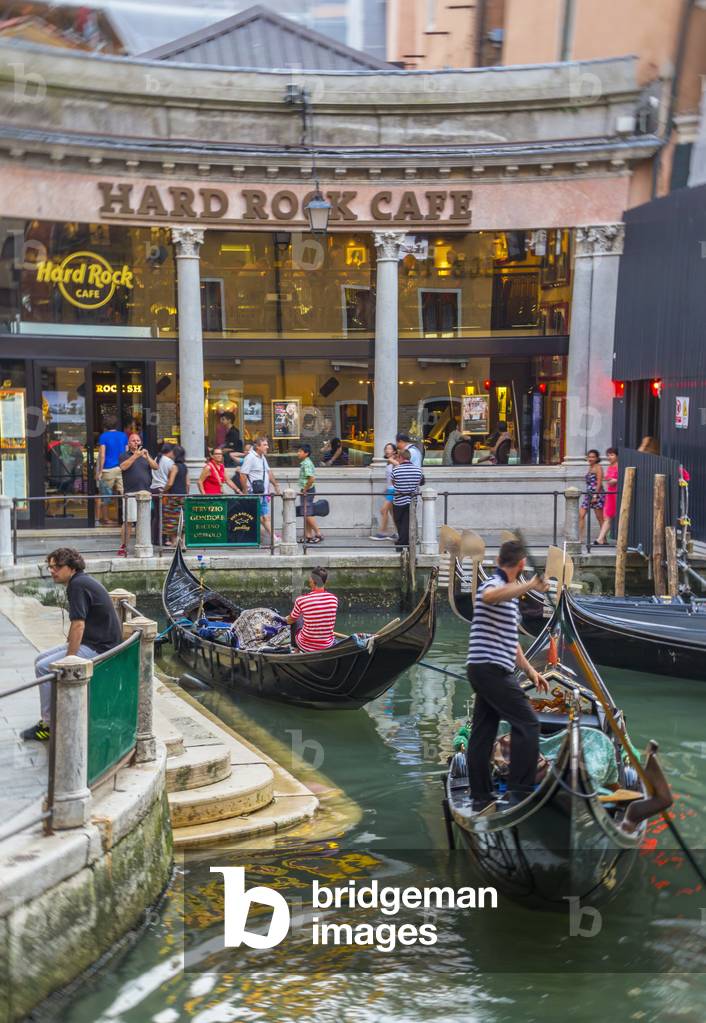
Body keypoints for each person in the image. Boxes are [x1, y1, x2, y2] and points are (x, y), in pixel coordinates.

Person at [466, 540, 550, 813]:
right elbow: (489, 596)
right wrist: (531, 586)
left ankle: (481, 797)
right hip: (490, 669)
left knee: (482, 732)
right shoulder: (493, 584)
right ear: (522, 564)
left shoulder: (508, 594)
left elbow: (512, 643)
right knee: (528, 725)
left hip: (487, 668)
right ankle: (520, 792)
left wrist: (531, 671)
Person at [21, 548, 124, 742]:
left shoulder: (77, 585)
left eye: (57, 567)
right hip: (93, 641)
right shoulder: (80, 581)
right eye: (50, 566)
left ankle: (49, 725)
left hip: (100, 647)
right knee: (40, 659)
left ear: (71, 567)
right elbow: (77, 624)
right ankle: (55, 714)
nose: (52, 571)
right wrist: (68, 646)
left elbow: (78, 624)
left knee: (44, 667)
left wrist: (70, 659)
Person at [118, 433, 158, 556]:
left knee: (143, 521)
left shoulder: (145, 455)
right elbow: (123, 467)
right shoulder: (124, 455)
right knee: (128, 521)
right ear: (129, 443)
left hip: (146, 492)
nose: (136, 442)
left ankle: (142, 545)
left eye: (138, 440)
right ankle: (123, 546)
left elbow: (155, 466)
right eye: (133, 441)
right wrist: (135, 456)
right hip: (131, 492)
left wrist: (147, 457)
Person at [240, 435, 282, 544]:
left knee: (264, 517)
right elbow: (243, 475)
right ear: (258, 447)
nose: (267, 447)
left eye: (267, 444)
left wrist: (276, 485)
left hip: (262, 493)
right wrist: (245, 491)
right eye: (265, 445)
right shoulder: (250, 457)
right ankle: (264, 538)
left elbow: (268, 472)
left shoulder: (262, 457)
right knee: (257, 517)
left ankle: (271, 538)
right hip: (253, 493)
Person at [286, 566, 338, 653]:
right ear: (325, 581)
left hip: (305, 645)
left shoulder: (301, 600)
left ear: (312, 582)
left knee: (297, 619)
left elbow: (290, 621)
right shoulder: (333, 599)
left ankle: (296, 650)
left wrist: (287, 619)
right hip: (327, 645)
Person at [96, 415, 128, 525]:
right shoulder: (123, 436)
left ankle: (103, 518)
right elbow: (127, 452)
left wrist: (99, 471)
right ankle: (127, 518)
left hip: (108, 469)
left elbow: (102, 455)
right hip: (121, 467)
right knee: (125, 494)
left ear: (105, 425)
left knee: (104, 495)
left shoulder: (103, 437)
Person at [391, 448, 423, 549]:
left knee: (399, 522)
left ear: (401, 457)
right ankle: (406, 543)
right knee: (408, 522)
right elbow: (419, 483)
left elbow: (393, 483)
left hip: (399, 500)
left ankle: (402, 543)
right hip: (412, 500)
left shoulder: (396, 470)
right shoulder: (418, 470)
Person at [162, 445, 189, 546]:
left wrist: (163, 491)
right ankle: (183, 542)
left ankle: (175, 542)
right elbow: (188, 483)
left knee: (171, 519)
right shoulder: (185, 467)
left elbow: (170, 483)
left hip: (174, 497)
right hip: (183, 496)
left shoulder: (175, 467)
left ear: (175, 454)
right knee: (182, 519)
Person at [371, 442, 398, 540]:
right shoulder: (389, 462)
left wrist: (391, 460)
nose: (387, 450)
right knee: (392, 512)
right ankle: (397, 532)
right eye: (386, 448)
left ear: (394, 451)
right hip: (390, 490)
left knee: (384, 510)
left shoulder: (394, 460)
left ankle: (383, 532)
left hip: (393, 491)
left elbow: (399, 466)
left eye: (389, 449)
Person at [297, 442, 322, 544]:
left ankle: (318, 533)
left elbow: (311, 478)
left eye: (300, 451)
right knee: (306, 512)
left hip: (308, 490)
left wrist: (305, 489)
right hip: (308, 489)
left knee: (307, 513)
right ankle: (308, 535)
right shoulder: (306, 462)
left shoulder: (306, 463)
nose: (297, 453)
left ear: (306, 453)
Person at [150, 442, 175, 545]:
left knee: (157, 516)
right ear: (170, 452)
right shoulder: (169, 462)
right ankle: (163, 540)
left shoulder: (156, 458)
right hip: (162, 490)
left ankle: (155, 539)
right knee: (164, 516)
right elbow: (171, 478)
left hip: (154, 489)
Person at [579, 448, 605, 539]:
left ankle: (603, 538)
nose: (590, 459)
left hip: (597, 494)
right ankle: (580, 538)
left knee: (599, 517)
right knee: (581, 514)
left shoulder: (598, 467)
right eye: (589, 457)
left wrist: (595, 495)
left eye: (593, 457)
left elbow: (599, 482)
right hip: (588, 494)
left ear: (597, 458)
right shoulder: (590, 467)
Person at [595, 447, 618, 545]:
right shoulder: (610, 466)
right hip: (610, 493)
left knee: (614, 517)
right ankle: (600, 538)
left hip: (616, 493)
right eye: (608, 455)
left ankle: (602, 538)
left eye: (612, 455)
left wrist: (615, 480)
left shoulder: (619, 466)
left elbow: (622, 479)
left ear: (617, 456)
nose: (609, 457)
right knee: (607, 517)